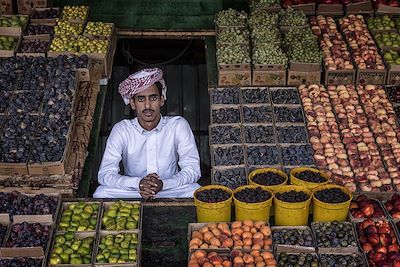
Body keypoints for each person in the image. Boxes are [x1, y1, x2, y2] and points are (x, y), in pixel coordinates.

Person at [93, 68, 201, 199]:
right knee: (101, 193)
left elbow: (192, 170)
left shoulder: (178, 125)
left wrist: (163, 184)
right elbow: (105, 174)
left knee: (195, 190)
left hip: (169, 189)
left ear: (162, 100)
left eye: (153, 98)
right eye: (141, 99)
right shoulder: (122, 130)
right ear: (133, 103)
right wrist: (138, 184)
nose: (148, 105)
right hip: (135, 191)